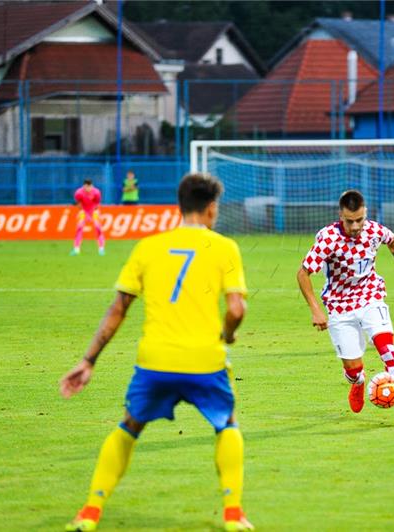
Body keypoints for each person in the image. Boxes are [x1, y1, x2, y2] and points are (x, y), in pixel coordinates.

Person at [60, 173, 254, 531]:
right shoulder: (225, 247)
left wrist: (88, 360)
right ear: (211, 209)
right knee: (227, 424)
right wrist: (227, 334)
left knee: (129, 426)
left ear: (179, 207)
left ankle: (89, 513)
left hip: (155, 360)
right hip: (204, 360)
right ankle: (233, 515)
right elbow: (237, 309)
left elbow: (117, 309)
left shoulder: (148, 247)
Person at [296, 190, 394, 427]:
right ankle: (358, 381)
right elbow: (303, 273)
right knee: (352, 367)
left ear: (365, 214)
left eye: (359, 220)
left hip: (370, 296)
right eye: (350, 221)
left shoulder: (375, 230)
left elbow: (393, 242)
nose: (355, 226)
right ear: (340, 216)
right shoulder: (328, 238)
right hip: (339, 305)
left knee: (389, 351)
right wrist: (315, 309)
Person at [72, 179, 106, 256]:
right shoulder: (78, 193)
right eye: (86, 187)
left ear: (92, 186)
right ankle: (76, 249)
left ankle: (101, 249)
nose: (88, 188)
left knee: (98, 227)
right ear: (84, 186)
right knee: (79, 227)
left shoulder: (96, 192)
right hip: (83, 210)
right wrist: (82, 211)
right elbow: (78, 204)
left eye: (89, 186)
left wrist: (94, 213)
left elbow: (97, 204)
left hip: (93, 210)